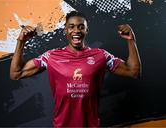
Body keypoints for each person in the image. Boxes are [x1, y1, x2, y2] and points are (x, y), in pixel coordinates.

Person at [10, 11, 141, 127]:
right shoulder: (51, 56)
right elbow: (16, 73)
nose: (76, 31)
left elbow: (133, 72)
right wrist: (21, 42)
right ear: (65, 31)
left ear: (86, 31)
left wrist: (131, 40)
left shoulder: (101, 56)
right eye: (71, 27)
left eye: (81, 27)